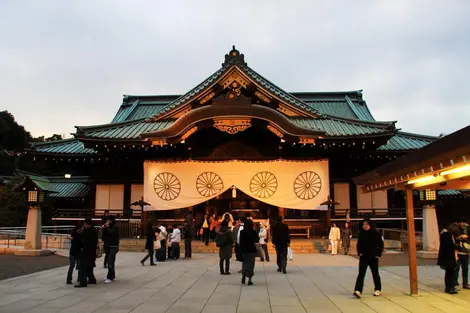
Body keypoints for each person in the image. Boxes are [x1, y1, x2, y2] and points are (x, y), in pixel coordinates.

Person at [353, 218, 384, 298]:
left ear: (370, 225)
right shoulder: (361, 234)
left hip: (373, 257)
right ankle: (358, 290)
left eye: (367, 224)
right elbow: (358, 244)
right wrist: (359, 253)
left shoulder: (376, 233)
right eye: (364, 224)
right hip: (364, 257)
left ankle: (378, 289)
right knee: (361, 274)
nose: (365, 226)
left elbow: (381, 244)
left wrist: (378, 254)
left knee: (375, 274)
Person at [438, 223, 463, 294]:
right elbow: (450, 245)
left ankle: (448, 287)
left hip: (448, 256)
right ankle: (451, 287)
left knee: (449, 272)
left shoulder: (446, 235)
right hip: (449, 256)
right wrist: (458, 246)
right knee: (451, 272)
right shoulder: (448, 235)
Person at [75, 218, 98, 288]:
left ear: (88, 224)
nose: (84, 225)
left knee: (83, 267)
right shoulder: (93, 230)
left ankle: (83, 282)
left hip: (87, 251)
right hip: (91, 251)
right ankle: (92, 279)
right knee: (89, 267)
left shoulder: (89, 231)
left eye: (85, 224)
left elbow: (80, 235)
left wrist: (82, 230)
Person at [239, 219, 258, 285]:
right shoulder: (253, 232)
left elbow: (240, 242)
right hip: (251, 250)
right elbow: (256, 240)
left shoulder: (242, 232)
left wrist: (240, 250)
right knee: (251, 264)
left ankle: (244, 274)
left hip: (244, 250)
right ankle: (249, 279)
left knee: (245, 263)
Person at [102, 216, 119, 283]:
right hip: (108, 245)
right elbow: (104, 236)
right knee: (110, 261)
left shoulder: (114, 227)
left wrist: (106, 228)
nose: (107, 222)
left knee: (110, 262)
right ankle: (112, 275)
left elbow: (111, 233)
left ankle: (110, 277)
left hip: (113, 246)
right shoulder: (108, 228)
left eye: (108, 221)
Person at [455, 218, 469, 289]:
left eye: (463, 222)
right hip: (457, 251)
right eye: (460, 222)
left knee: (465, 268)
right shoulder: (455, 229)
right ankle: (455, 282)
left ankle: (465, 283)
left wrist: (466, 236)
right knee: (456, 268)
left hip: (465, 251)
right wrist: (458, 238)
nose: (462, 223)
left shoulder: (467, 228)